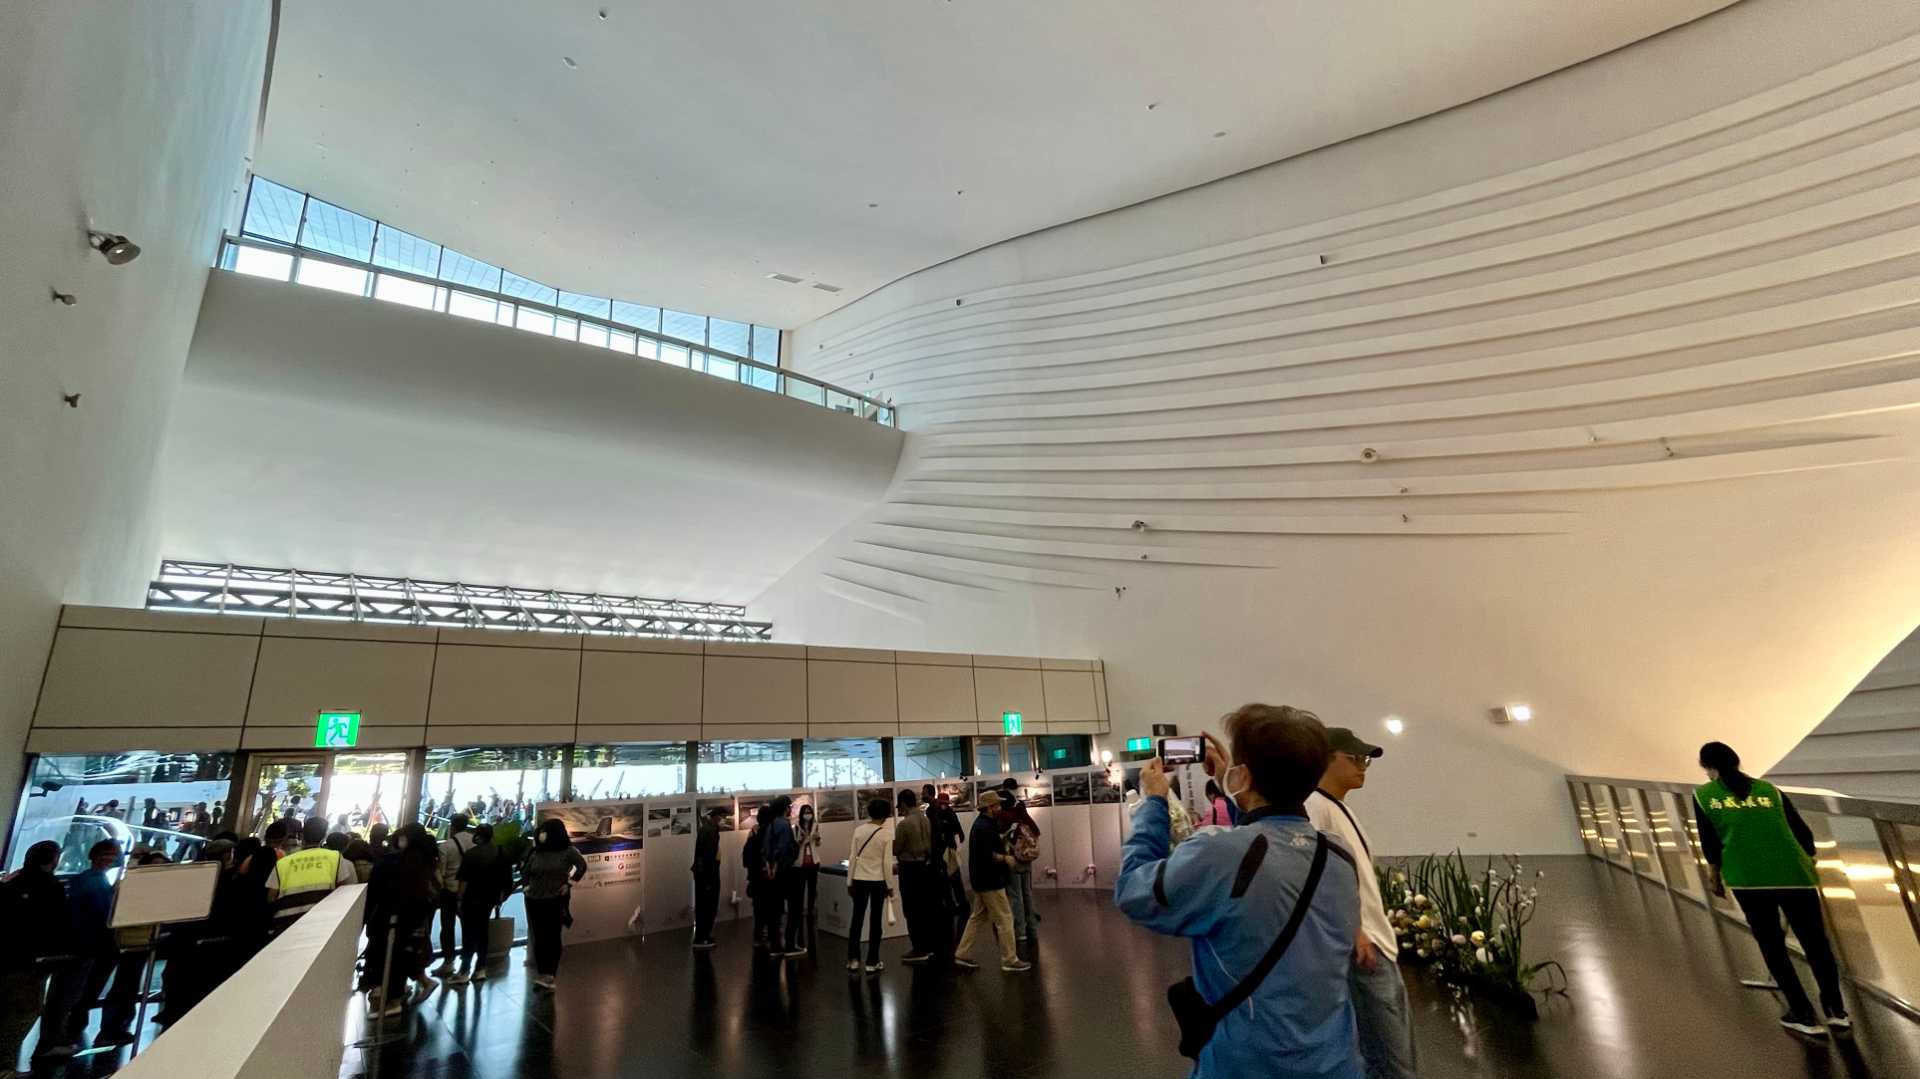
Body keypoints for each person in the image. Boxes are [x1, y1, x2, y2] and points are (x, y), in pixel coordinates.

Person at [1114, 705, 1363, 1079]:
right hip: (1334, 1061)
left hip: (1247, 1063)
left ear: (1243, 774)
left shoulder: (1219, 852)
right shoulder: (1338, 854)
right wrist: (1238, 791)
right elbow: (1267, 847)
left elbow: (1135, 890)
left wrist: (1153, 802)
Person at [1694, 741, 1848, 1036]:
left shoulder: (1705, 796)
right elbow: (1802, 831)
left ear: (1707, 767)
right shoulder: (1769, 791)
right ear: (1736, 761)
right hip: (1794, 875)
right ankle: (1836, 1010)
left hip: (1749, 879)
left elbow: (1710, 842)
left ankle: (1803, 1014)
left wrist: (1714, 875)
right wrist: (1809, 860)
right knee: (1816, 943)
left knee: (1772, 944)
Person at [1308, 728, 1414, 1079]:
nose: (1362, 766)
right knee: (1388, 1056)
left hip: (1377, 943)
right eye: (1353, 758)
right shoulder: (1314, 807)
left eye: (1364, 759)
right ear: (1325, 759)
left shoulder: (1334, 808)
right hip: (1362, 947)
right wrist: (1354, 931)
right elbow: (1316, 878)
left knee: (1397, 1050)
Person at [43, 839, 122, 1056]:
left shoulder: (83, 880)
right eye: (108, 854)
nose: (110, 858)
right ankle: (58, 1039)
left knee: (68, 995)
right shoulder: (96, 884)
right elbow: (103, 914)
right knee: (74, 995)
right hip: (91, 946)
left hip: (84, 945)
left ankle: (59, 1037)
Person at [1, 841, 69, 1071]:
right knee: (20, 1016)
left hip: (8, 958)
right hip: (29, 963)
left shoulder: (11, 883)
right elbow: (57, 926)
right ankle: (5, 1066)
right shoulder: (52, 887)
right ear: (53, 860)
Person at [363, 823, 441, 1015]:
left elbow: (376, 892)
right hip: (414, 916)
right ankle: (399, 990)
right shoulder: (425, 861)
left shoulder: (394, 862)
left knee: (395, 954)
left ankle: (394, 998)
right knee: (404, 953)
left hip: (394, 917)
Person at [952, 791, 1030, 973]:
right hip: (990, 880)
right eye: (997, 805)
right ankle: (1010, 959)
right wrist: (1006, 859)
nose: (999, 808)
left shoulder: (983, 825)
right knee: (1005, 918)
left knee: (977, 917)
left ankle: (962, 953)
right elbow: (988, 855)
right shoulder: (985, 827)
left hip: (981, 879)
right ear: (988, 807)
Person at [522, 819, 587, 990]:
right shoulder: (537, 851)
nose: (542, 834)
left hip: (554, 900)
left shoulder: (568, 851)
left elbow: (581, 866)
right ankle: (543, 972)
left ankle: (550, 974)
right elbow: (526, 871)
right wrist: (526, 887)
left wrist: (569, 884)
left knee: (552, 936)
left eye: (545, 831)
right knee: (538, 935)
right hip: (534, 899)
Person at [266, 816, 356, 928]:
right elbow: (343, 892)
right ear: (324, 837)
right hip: (320, 923)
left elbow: (271, 897)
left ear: (303, 835)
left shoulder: (283, 862)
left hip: (286, 924)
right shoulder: (335, 858)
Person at [447, 824, 506, 985]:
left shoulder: (471, 854)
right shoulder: (499, 852)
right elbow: (504, 877)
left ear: (478, 836)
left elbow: (464, 881)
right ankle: (480, 968)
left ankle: (464, 970)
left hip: (472, 899)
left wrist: (459, 900)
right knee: (483, 933)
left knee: (468, 935)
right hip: (489, 899)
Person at [845, 797, 895, 975]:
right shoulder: (887, 835)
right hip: (878, 882)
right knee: (875, 922)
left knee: (856, 920)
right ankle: (872, 962)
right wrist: (890, 886)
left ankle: (853, 960)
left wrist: (849, 881)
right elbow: (886, 863)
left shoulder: (859, 831)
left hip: (859, 879)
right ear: (886, 815)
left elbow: (852, 858)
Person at [892, 789, 940, 963]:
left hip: (909, 869)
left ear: (903, 804)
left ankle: (918, 948)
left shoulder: (904, 824)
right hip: (926, 867)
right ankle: (929, 945)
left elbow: (897, 849)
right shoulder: (925, 819)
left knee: (911, 909)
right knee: (926, 907)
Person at [431, 813, 473, 976]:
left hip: (449, 891)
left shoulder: (446, 846)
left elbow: (440, 872)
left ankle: (449, 962)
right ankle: (467, 963)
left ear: (452, 826)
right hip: (469, 891)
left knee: (447, 927)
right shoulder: (474, 842)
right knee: (468, 927)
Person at [764, 795, 804, 959]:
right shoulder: (784, 825)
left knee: (774, 911)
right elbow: (785, 849)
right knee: (794, 909)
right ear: (785, 808)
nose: (791, 809)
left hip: (773, 873)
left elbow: (767, 850)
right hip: (786, 873)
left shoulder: (771, 825)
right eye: (789, 806)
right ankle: (789, 945)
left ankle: (775, 946)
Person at [1003, 799, 1041, 954]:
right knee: (1027, 894)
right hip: (1027, 863)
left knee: (1016, 896)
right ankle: (1032, 927)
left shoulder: (1013, 825)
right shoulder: (1030, 824)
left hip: (1014, 863)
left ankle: (1020, 932)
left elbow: (1008, 843)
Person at [691, 806, 725, 950]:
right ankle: (701, 937)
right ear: (716, 816)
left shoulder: (708, 829)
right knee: (707, 906)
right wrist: (708, 880)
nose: (723, 820)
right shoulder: (710, 831)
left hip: (705, 875)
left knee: (706, 906)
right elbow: (707, 857)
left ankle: (704, 935)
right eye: (722, 816)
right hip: (707, 876)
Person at [743, 806, 771, 949]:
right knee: (769, 906)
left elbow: (746, 857)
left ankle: (758, 935)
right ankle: (767, 934)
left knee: (758, 908)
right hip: (767, 876)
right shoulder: (769, 832)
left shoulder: (753, 833)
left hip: (755, 877)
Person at [794, 803, 823, 919]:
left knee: (812, 888)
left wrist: (817, 838)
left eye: (809, 812)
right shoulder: (796, 826)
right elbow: (796, 844)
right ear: (801, 814)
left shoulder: (815, 825)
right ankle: (800, 910)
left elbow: (818, 843)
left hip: (813, 861)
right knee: (800, 889)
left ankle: (810, 909)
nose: (808, 815)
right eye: (806, 812)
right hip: (800, 863)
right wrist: (804, 840)